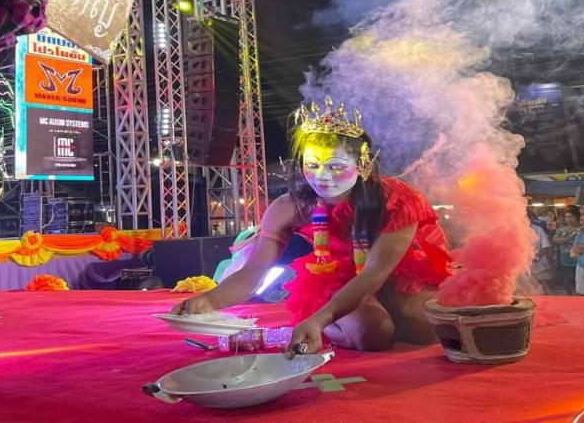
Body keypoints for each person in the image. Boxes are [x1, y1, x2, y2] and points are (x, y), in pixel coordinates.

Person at [171, 97, 451, 355]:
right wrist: (209, 301)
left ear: (363, 164)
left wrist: (320, 319)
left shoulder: (398, 199)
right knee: (373, 333)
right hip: (334, 278)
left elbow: (374, 273)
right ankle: (325, 323)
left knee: (428, 330)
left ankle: (324, 320)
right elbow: (255, 270)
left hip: (389, 275)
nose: (322, 177)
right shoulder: (288, 207)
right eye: (313, 165)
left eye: (336, 166)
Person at [553, 209, 579, 294]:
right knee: (567, 279)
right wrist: (569, 238)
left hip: (579, 257)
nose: (569, 219)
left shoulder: (581, 229)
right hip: (564, 257)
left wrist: (563, 240)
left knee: (577, 278)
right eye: (567, 217)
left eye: (571, 217)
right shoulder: (561, 230)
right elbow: (555, 240)